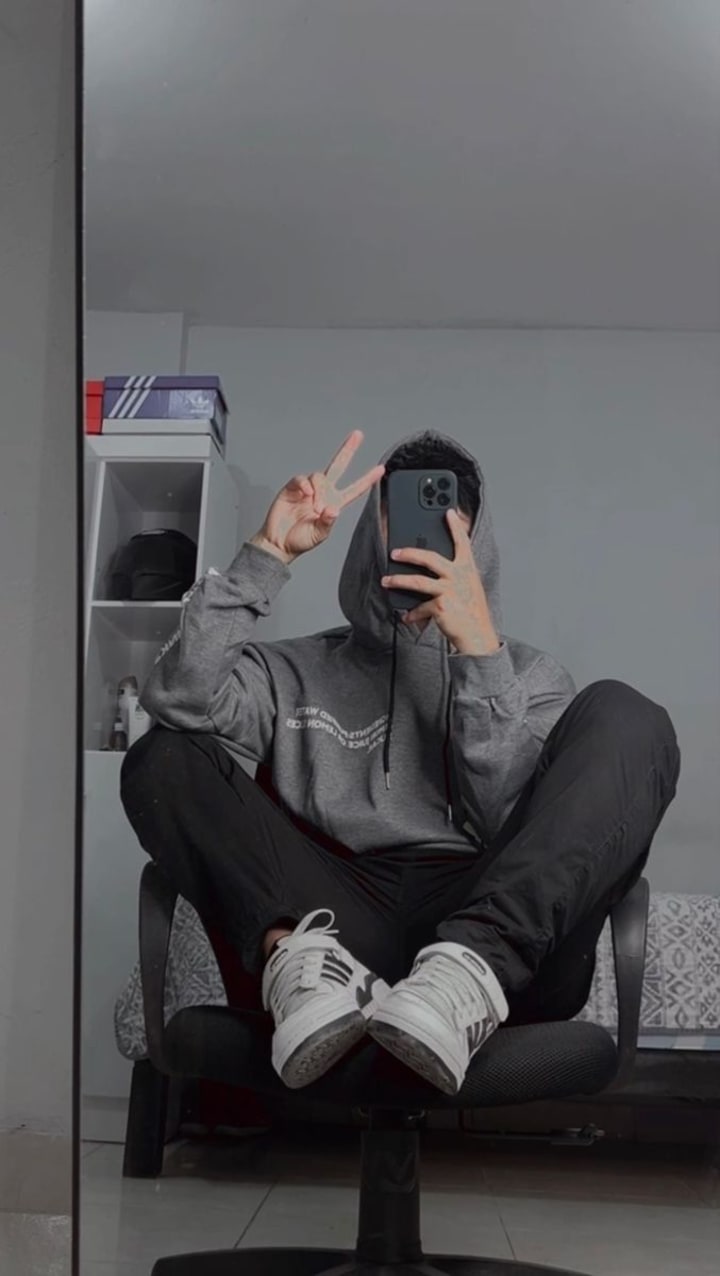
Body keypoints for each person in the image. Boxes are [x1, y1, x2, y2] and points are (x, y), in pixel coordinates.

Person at [121, 430, 679, 1095]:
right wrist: (267, 554)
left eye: (447, 527)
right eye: (406, 517)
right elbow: (177, 698)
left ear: (476, 548)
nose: (423, 541)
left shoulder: (530, 678)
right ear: (369, 536)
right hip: (329, 929)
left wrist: (481, 657)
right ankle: (299, 969)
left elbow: (510, 823)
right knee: (161, 754)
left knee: (628, 715)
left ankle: (461, 977)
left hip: (492, 936)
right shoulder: (290, 669)